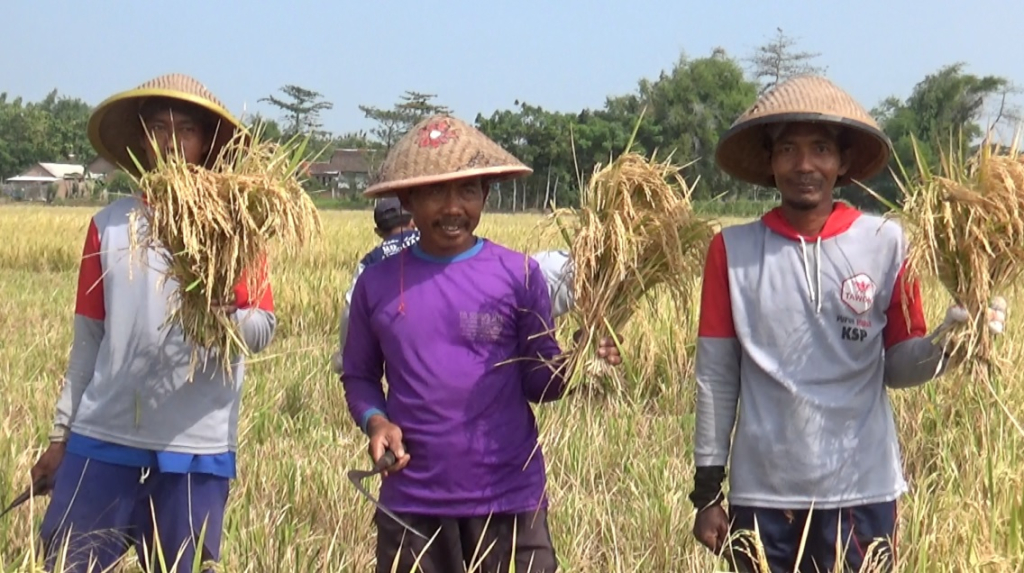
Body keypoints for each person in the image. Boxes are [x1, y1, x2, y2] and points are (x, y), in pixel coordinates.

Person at [688, 74, 1008, 573]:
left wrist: (952, 342)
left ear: (842, 162)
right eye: (788, 149)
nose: (804, 164)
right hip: (763, 495)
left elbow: (898, 366)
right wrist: (707, 491)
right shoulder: (731, 253)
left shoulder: (886, 243)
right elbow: (716, 377)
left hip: (863, 490)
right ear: (770, 163)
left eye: (820, 148)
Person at [340, 114, 618, 573]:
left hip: (508, 497)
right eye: (435, 192)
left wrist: (581, 354)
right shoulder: (377, 283)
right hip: (413, 500)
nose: (453, 208)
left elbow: (539, 383)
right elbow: (360, 374)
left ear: (486, 194)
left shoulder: (518, 275)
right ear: (408, 198)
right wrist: (375, 421)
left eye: (468, 191)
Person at [28, 73, 276, 573]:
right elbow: (88, 342)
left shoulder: (237, 226)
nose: (170, 140)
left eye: (185, 129)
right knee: (64, 562)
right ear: (141, 138)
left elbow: (261, 330)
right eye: (158, 126)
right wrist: (61, 436)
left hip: (196, 441)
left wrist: (224, 313)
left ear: (205, 143)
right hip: (105, 431)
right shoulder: (108, 226)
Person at [330, 197, 576, 375]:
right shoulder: (449, 245)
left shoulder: (372, 263)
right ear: (413, 218)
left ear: (377, 231)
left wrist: (345, 358)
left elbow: (350, 312)